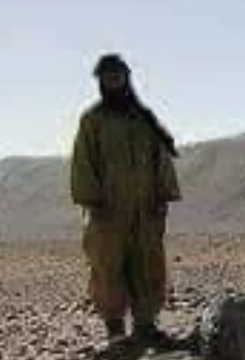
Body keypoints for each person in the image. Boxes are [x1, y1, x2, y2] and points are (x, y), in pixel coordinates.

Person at [69, 53, 181, 345]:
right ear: (101, 82)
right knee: (108, 268)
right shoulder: (92, 120)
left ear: (127, 78)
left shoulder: (144, 118)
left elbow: (162, 158)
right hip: (107, 211)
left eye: (118, 76)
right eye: (108, 77)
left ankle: (146, 324)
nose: (114, 82)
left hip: (145, 209)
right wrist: (92, 200)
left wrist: (163, 195)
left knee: (149, 264)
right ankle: (115, 327)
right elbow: (83, 162)